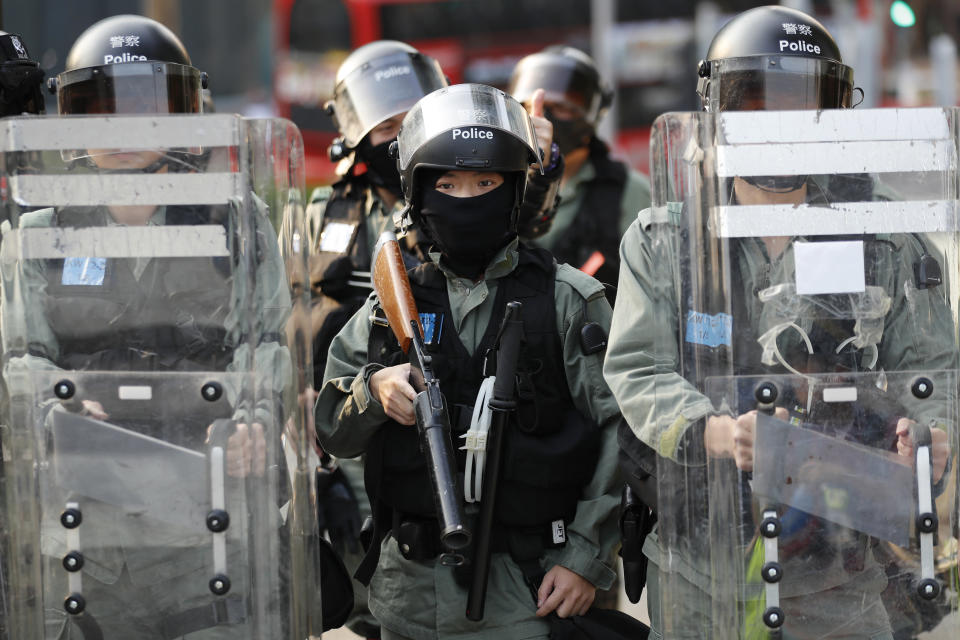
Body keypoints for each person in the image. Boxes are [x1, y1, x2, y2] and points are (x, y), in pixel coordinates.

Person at [603, 5, 956, 639]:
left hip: (842, 560)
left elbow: (933, 364)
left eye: (800, 107)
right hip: (701, 556)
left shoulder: (883, 235)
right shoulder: (665, 241)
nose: (779, 127)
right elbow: (636, 367)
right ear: (717, 113)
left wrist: (930, 434)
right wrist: (714, 432)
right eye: (755, 107)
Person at [0, 14, 311, 639]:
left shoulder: (232, 218)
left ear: (183, 114)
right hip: (83, 525)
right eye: (100, 110)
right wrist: (58, 404)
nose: (122, 130)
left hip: (208, 515)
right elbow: (20, 355)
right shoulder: (39, 232)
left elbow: (266, 341)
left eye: (145, 106)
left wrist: (253, 416)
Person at [316, 83, 622, 640]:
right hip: (406, 599)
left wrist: (584, 558)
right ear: (419, 190)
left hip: (527, 598)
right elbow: (331, 428)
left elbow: (618, 435)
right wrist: (374, 389)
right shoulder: (391, 302)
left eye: (485, 183)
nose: (467, 198)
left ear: (513, 190)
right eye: (448, 184)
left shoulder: (567, 299)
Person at [508, 45, 651, 295]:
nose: (545, 117)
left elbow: (651, 284)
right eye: (532, 104)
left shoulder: (630, 190)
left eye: (563, 106)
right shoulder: (494, 182)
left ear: (590, 116)